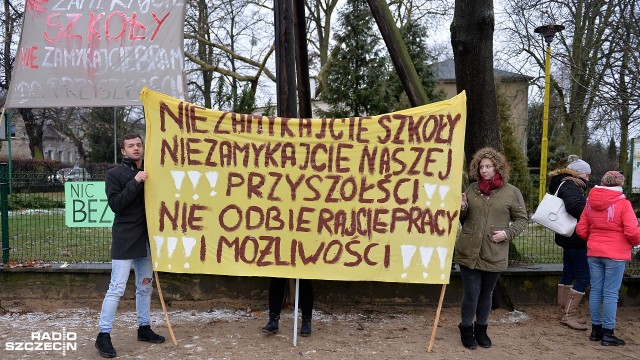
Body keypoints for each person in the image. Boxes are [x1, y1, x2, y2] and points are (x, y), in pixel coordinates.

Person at [95, 134, 165, 358]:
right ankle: (103, 335)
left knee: (145, 286)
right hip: (125, 238)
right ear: (123, 151)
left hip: (147, 239)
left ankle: (144, 328)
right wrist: (135, 182)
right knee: (116, 287)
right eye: (131, 146)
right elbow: (116, 205)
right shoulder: (114, 174)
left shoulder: (151, 171)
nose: (136, 148)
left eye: (139, 145)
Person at [455, 147, 528, 349]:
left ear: (498, 168)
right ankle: (466, 329)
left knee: (486, 294)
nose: (484, 170)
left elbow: (522, 219)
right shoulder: (471, 190)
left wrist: (507, 233)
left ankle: (481, 329)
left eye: (488, 166)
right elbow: (462, 218)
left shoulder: (512, 192)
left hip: (494, 252)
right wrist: (462, 207)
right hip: (468, 250)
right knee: (471, 293)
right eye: (481, 167)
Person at [576, 171, 640, 346]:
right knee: (611, 294)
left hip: (594, 252)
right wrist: (634, 242)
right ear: (620, 184)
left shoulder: (589, 202)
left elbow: (581, 230)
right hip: (615, 255)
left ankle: (596, 331)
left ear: (603, 182)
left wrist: (594, 238)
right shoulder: (623, 204)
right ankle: (608, 333)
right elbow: (633, 232)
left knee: (596, 291)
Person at [548, 155, 591, 330]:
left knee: (569, 273)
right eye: (587, 174)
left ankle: (563, 312)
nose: (588, 178)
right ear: (578, 173)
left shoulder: (564, 184)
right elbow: (574, 207)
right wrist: (590, 212)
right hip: (575, 238)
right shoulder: (570, 185)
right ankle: (568, 315)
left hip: (569, 238)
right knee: (583, 277)